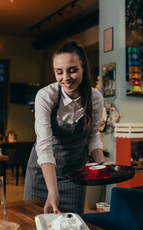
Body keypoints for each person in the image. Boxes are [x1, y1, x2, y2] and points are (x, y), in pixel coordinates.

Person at [24, 41, 106, 214]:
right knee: (35, 225)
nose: (66, 78)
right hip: (41, 174)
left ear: (83, 67)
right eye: (59, 72)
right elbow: (44, 146)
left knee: (71, 228)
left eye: (73, 70)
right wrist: (53, 191)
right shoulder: (46, 96)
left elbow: (93, 136)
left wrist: (103, 165)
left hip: (74, 175)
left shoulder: (96, 98)